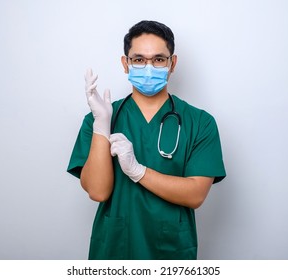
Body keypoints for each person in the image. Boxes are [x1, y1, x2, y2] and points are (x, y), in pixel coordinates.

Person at [67, 20, 226, 260]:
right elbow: (98, 192)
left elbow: (195, 195)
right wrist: (101, 126)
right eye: (139, 59)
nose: (148, 67)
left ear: (172, 64)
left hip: (170, 252)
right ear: (125, 63)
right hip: (114, 248)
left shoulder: (200, 122)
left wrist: (138, 171)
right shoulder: (99, 119)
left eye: (159, 59)